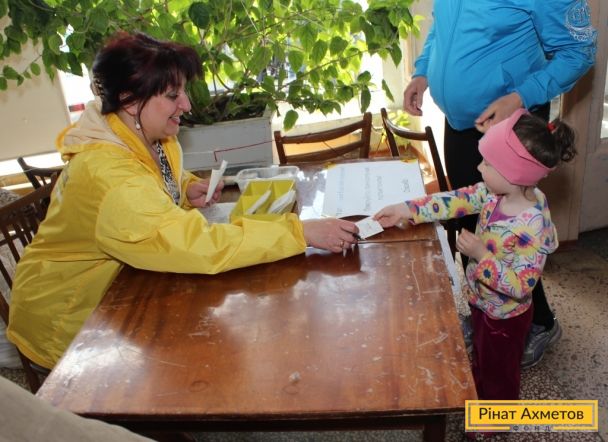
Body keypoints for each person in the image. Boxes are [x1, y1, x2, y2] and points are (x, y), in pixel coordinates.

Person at [6, 32, 359, 370]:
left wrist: (185, 187)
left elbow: (152, 178)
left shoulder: (136, 129)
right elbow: (197, 245)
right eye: (173, 95)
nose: (187, 105)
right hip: (66, 317)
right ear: (130, 99)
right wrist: (299, 233)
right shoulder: (112, 179)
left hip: (118, 286)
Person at [402, 0, 597, 368]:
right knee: (469, 223)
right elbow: (442, 26)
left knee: (509, 237)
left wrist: (520, 96)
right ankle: (485, 313)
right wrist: (423, 71)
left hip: (509, 123)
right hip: (461, 123)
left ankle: (539, 322)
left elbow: (579, 52)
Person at [374, 109, 577, 405]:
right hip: (482, 302)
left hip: (505, 318)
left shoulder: (532, 227)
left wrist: (481, 255)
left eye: (488, 163)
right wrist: (406, 209)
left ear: (514, 174)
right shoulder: (493, 193)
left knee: (500, 375)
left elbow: (521, 286)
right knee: (483, 359)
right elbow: (455, 200)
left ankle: (494, 418)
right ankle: (480, 391)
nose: (479, 167)